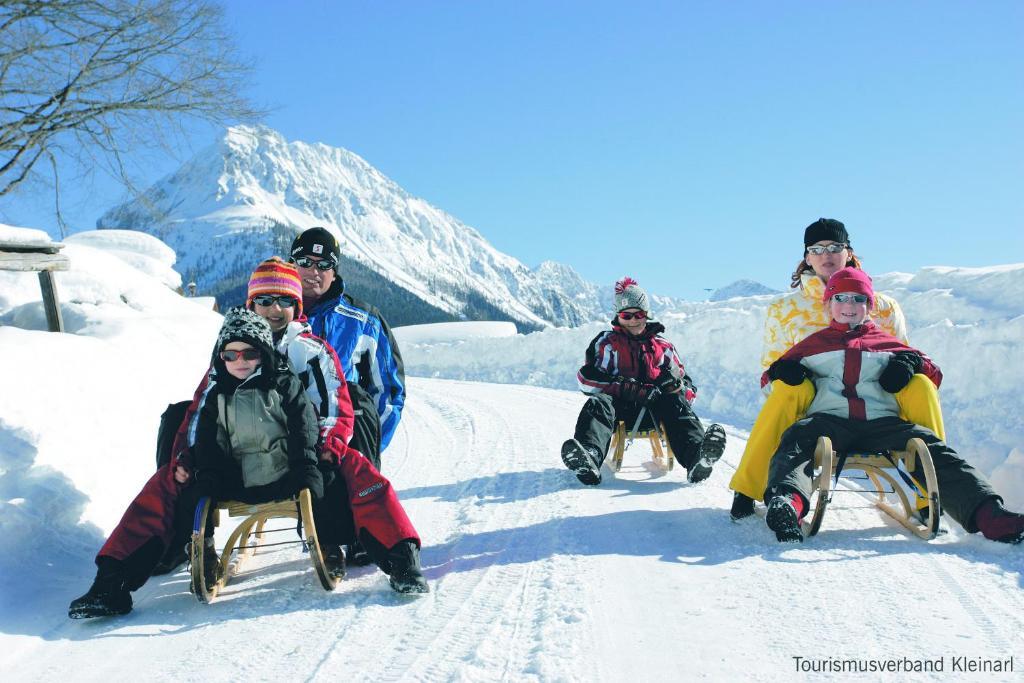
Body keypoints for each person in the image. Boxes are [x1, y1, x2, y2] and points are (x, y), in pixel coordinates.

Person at [69, 309, 324, 618]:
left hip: (289, 466)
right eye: (230, 355)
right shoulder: (219, 384)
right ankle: (111, 582)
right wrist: (191, 464)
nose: (239, 360)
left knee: (341, 472)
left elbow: (313, 421)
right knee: (171, 484)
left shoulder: (305, 358)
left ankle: (352, 541)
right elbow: (201, 430)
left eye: (249, 353)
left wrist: (313, 461)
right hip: (237, 474)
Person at [761, 267, 1024, 545]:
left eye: (858, 299)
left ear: (870, 305)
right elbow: (768, 380)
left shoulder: (888, 343)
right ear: (828, 304)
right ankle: (789, 504)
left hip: (883, 424)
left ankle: (989, 515)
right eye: (840, 298)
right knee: (796, 439)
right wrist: (781, 370)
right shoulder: (812, 345)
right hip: (829, 421)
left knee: (931, 446)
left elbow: (933, 371)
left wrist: (911, 364)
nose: (849, 305)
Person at [728, 218, 946, 520]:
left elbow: (901, 352)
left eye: (834, 247)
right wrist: (787, 372)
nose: (826, 255)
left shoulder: (882, 306)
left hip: (873, 396)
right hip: (815, 400)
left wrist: (907, 366)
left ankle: (931, 493)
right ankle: (748, 487)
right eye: (816, 249)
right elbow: (771, 369)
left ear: (849, 252)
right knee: (788, 390)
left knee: (920, 385)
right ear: (806, 258)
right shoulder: (785, 310)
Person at [560, 277, 727, 485]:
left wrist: (676, 387)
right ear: (618, 316)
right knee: (598, 403)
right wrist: (629, 388)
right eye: (626, 315)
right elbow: (586, 380)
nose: (633, 320)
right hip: (618, 410)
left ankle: (697, 457)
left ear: (646, 314)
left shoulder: (663, 347)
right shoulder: (606, 344)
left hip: (657, 411)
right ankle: (590, 456)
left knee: (677, 404)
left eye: (638, 314)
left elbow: (689, 389)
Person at [289, 227, 405, 469]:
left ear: (335, 272)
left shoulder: (364, 321)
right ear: (292, 264)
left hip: (342, 453)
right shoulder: (270, 311)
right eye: (305, 261)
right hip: (280, 449)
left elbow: (388, 392)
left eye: (324, 265)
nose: (313, 271)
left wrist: (366, 447)